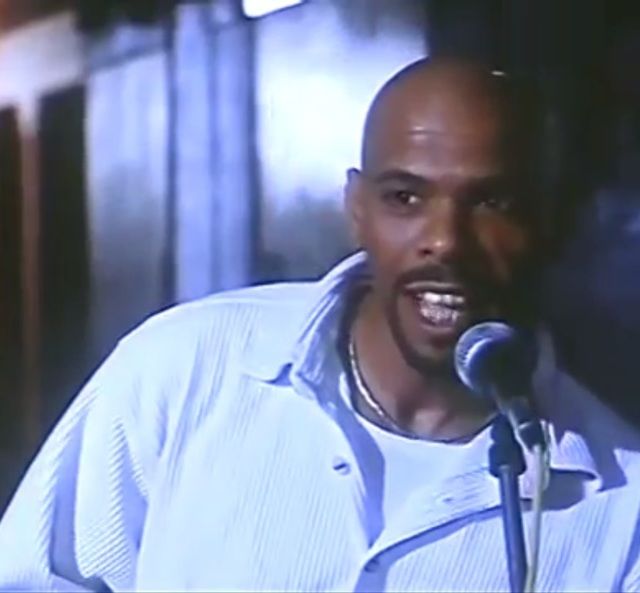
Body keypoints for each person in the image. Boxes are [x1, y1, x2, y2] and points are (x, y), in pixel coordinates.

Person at [1, 57, 640, 592]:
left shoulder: (621, 507)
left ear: (551, 222)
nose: (446, 242)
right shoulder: (184, 367)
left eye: (492, 202)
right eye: (405, 198)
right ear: (356, 209)